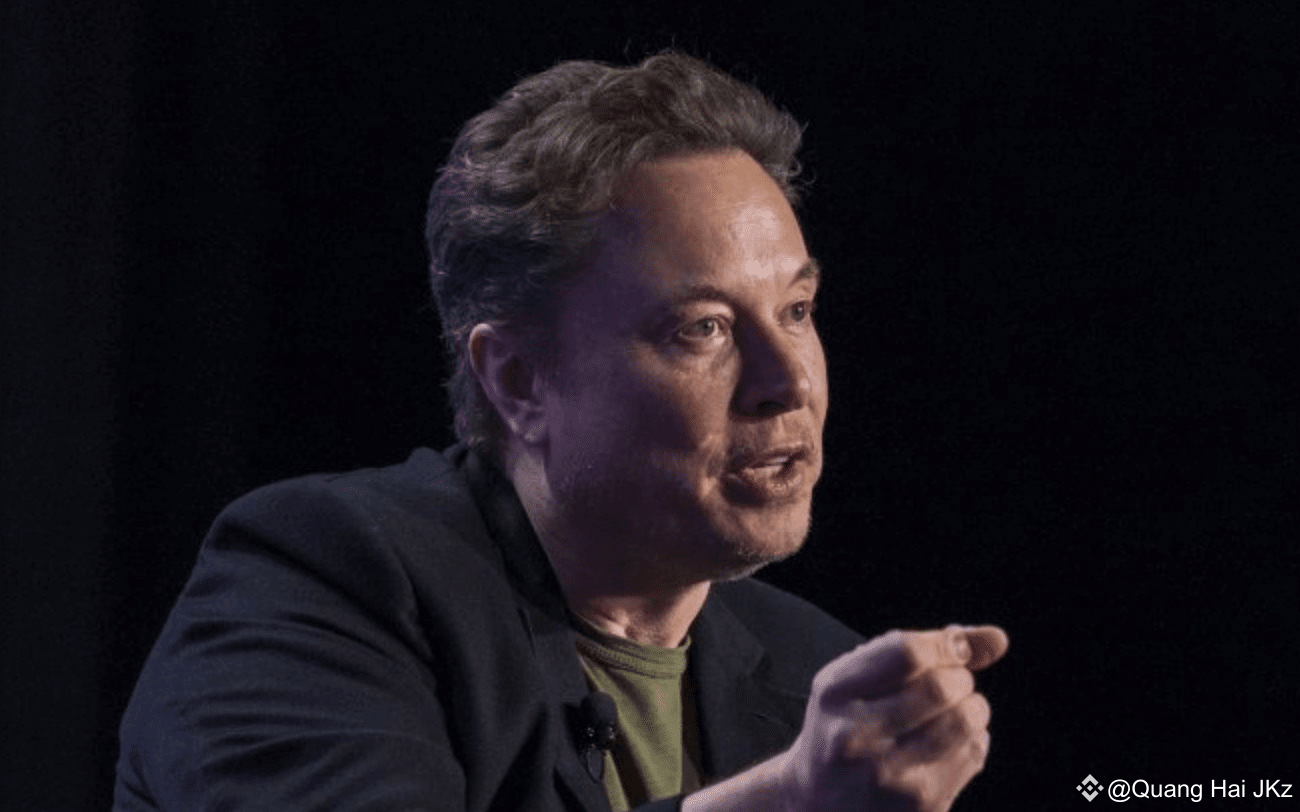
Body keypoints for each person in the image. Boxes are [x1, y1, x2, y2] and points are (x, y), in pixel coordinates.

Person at [114, 52, 1008, 812]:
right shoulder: (320, 582)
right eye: (703, 328)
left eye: (797, 310)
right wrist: (787, 801)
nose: (790, 383)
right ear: (518, 379)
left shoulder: (814, 670)